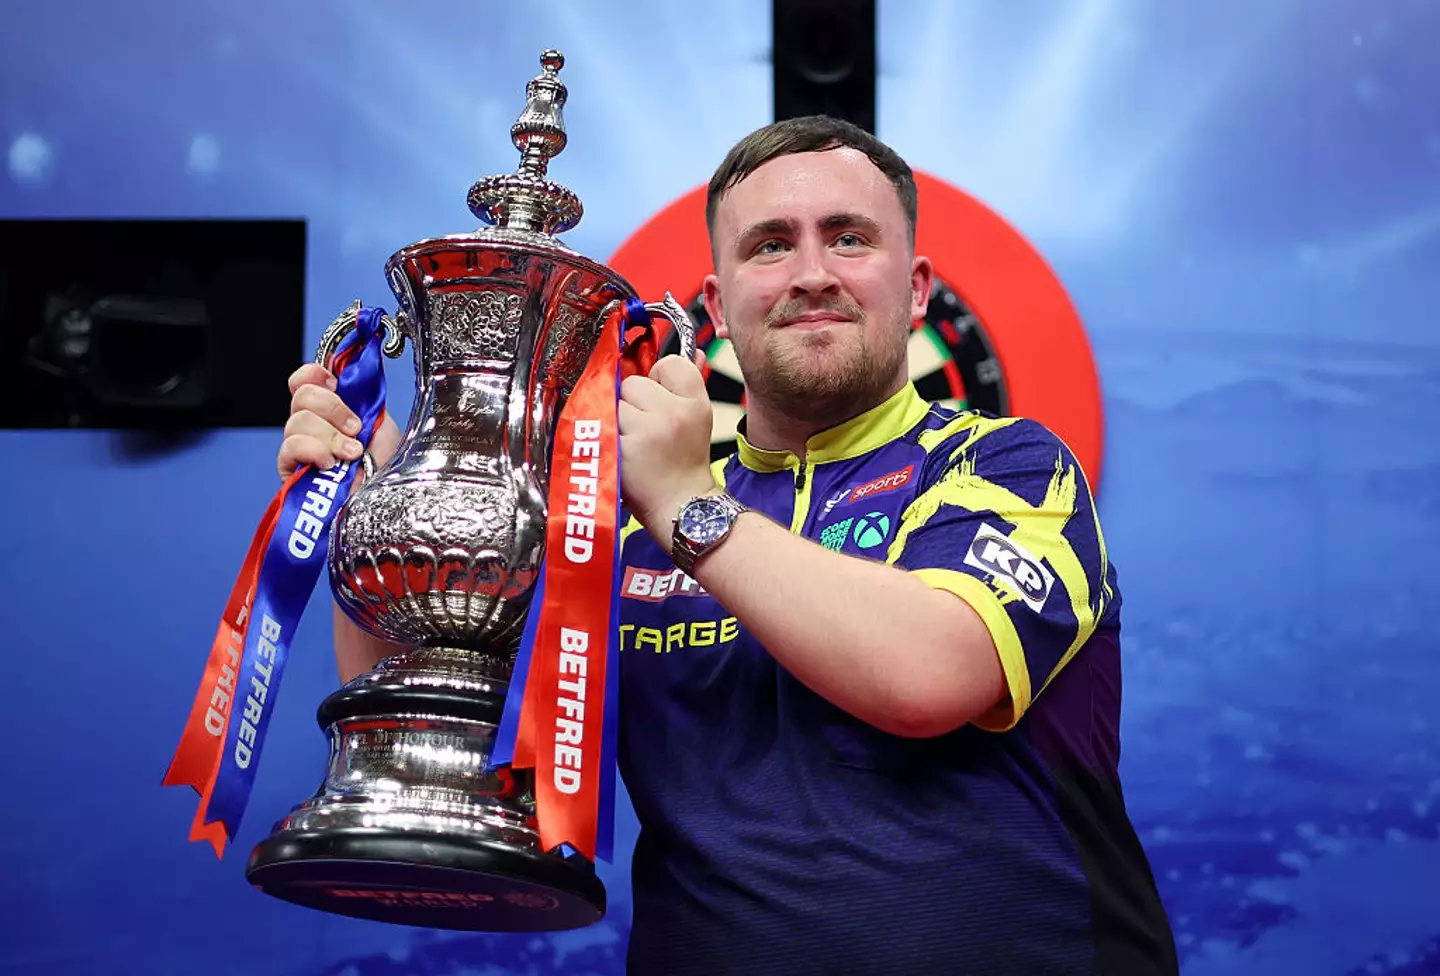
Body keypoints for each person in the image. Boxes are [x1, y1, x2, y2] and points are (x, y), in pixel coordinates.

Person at [278, 115, 1179, 975]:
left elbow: (930, 676)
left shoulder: (1008, 466)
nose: (812, 273)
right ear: (715, 303)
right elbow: (447, 726)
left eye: (850, 238)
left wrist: (687, 504)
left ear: (915, 290)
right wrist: (387, 494)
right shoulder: (616, 529)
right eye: (770, 245)